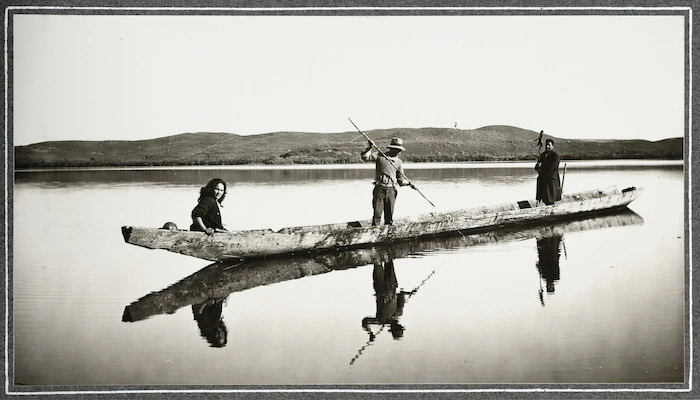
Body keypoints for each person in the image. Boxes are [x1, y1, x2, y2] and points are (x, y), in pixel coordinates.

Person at [361, 137, 414, 226]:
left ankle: (388, 234)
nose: (399, 152)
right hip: (379, 189)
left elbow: (400, 181)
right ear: (391, 149)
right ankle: (374, 234)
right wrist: (369, 147)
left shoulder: (399, 162)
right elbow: (365, 158)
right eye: (397, 150)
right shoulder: (379, 156)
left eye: (399, 150)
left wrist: (409, 184)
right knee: (377, 215)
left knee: (389, 216)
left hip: (391, 190)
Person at [535, 138, 562, 205]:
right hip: (543, 180)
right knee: (545, 199)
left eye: (549, 145)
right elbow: (536, 167)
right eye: (546, 145)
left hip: (551, 180)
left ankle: (551, 211)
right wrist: (538, 166)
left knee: (550, 198)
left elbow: (552, 168)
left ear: (552, 146)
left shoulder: (555, 155)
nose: (547, 147)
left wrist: (541, 169)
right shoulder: (542, 155)